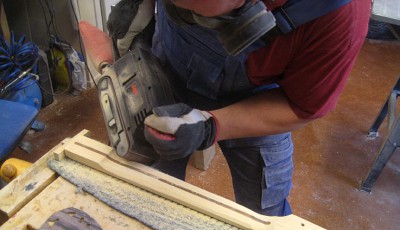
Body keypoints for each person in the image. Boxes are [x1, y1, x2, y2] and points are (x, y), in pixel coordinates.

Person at [109, 0, 371, 216]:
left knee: (264, 217)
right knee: (149, 190)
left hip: (260, 103)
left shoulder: (339, 14)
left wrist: (209, 127)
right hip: (168, 68)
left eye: (200, 17)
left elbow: (301, 107)